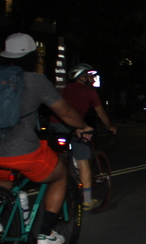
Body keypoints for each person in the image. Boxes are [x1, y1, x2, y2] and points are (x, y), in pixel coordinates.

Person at [0, 33, 91, 244]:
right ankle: (46, 234)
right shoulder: (35, 80)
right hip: (23, 152)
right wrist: (82, 126)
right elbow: (66, 112)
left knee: (4, 174)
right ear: (32, 57)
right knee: (60, 175)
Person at [50, 63, 117, 210]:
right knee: (83, 160)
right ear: (81, 77)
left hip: (55, 124)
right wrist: (109, 126)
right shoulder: (90, 91)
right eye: (90, 76)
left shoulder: (65, 89)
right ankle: (87, 200)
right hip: (74, 125)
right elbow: (101, 113)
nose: (93, 79)